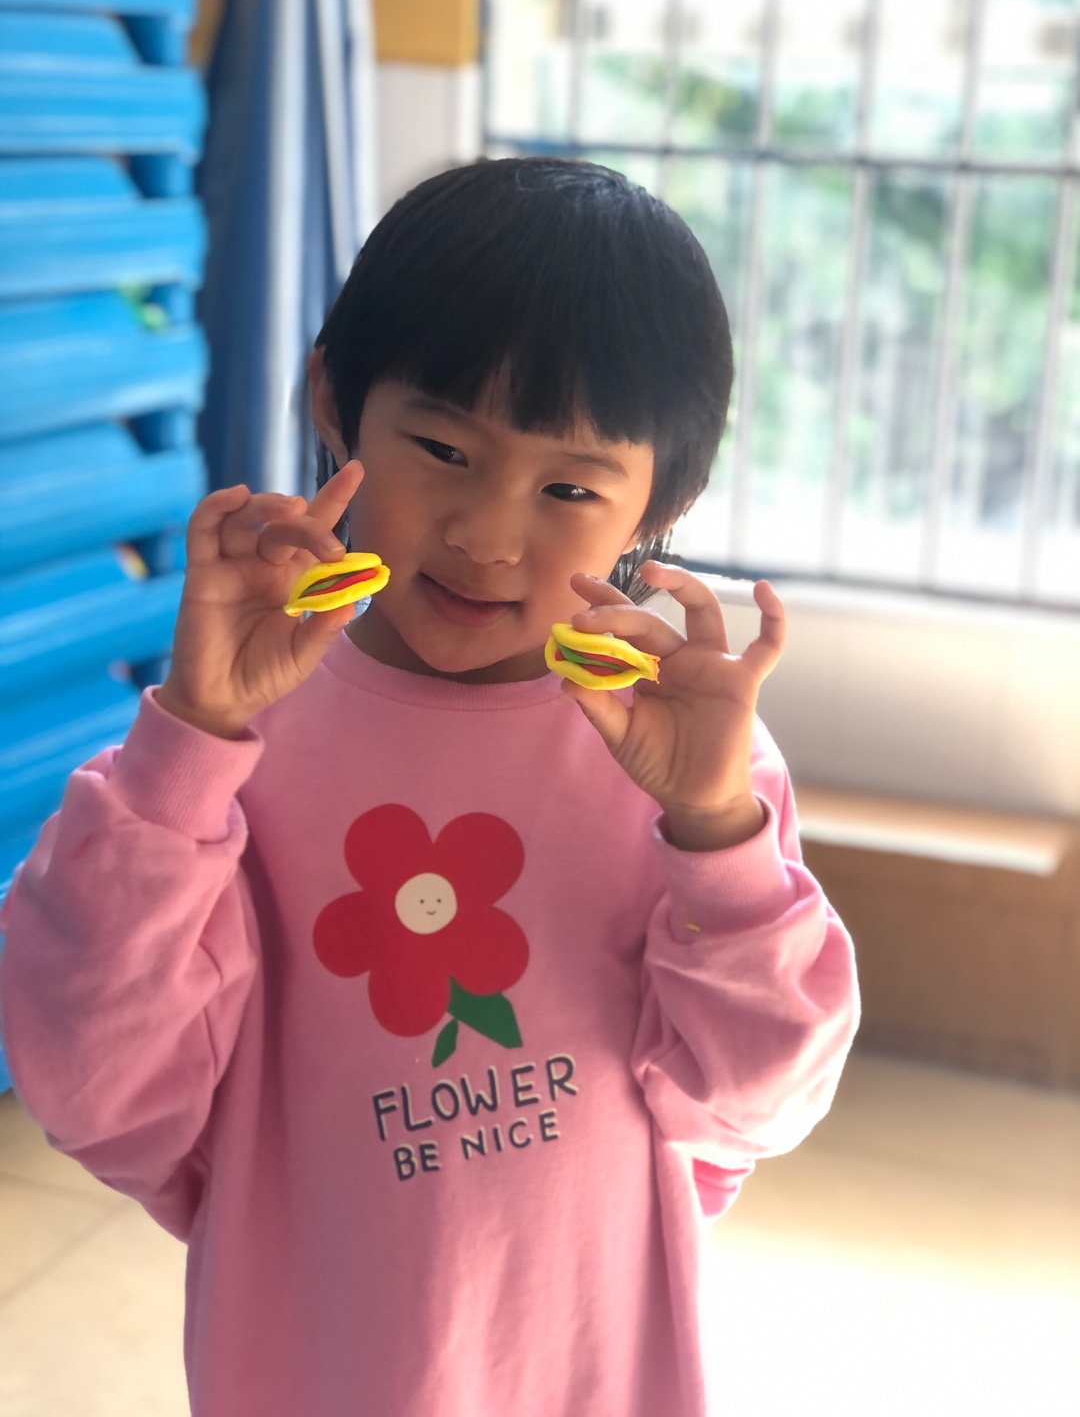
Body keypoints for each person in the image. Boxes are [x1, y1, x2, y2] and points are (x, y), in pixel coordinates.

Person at [0, 158, 858, 1417]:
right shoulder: (232, 740)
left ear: (661, 504)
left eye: (569, 488)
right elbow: (91, 1083)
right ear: (334, 401)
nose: (487, 534)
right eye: (444, 448)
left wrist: (720, 837)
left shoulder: (689, 764)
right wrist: (190, 741)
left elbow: (760, 1106)